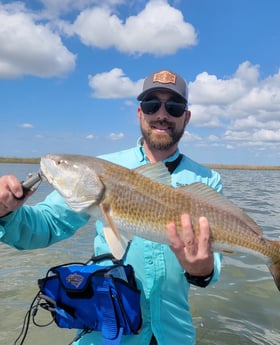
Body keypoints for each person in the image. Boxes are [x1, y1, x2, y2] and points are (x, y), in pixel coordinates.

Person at [0, 69, 223, 345]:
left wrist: (202, 269)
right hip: (108, 333)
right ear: (140, 113)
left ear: (186, 117)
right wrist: (6, 212)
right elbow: (45, 226)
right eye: (152, 105)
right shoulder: (100, 168)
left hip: (174, 334)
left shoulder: (207, 180)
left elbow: (214, 268)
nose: (162, 114)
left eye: (174, 106)